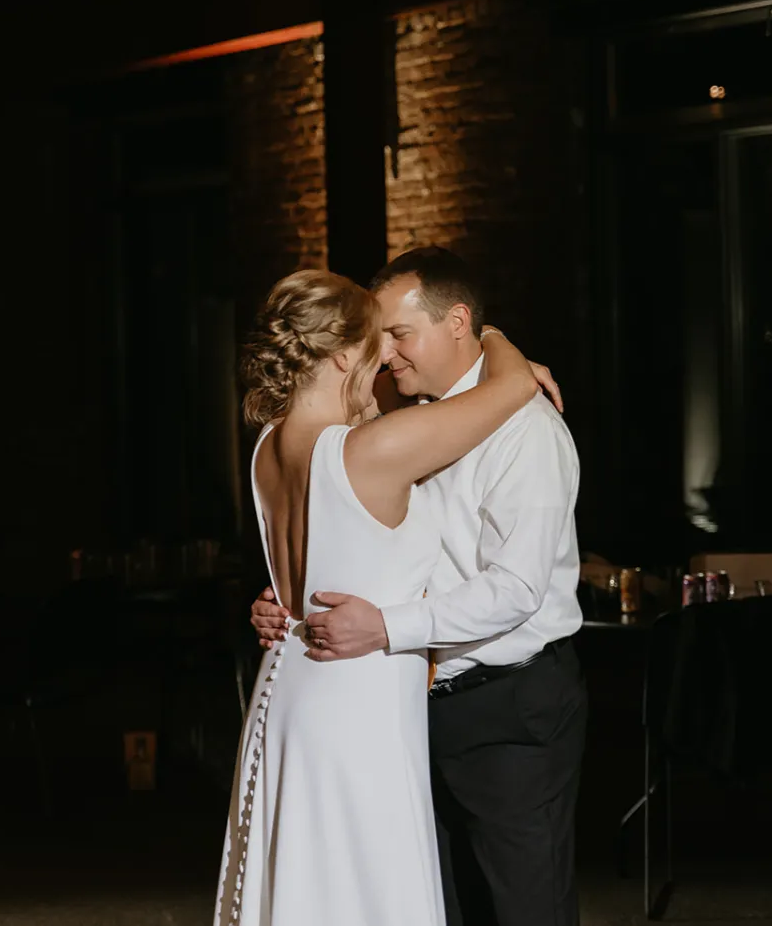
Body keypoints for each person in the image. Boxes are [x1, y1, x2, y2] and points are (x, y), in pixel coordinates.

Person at [251, 247, 587, 926]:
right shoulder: (382, 433)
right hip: (404, 703)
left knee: (524, 909)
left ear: (457, 321)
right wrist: (289, 598)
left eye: (398, 334)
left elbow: (516, 588)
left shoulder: (525, 429)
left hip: (505, 708)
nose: (386, 353)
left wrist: (385, 625)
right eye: (375, 338)